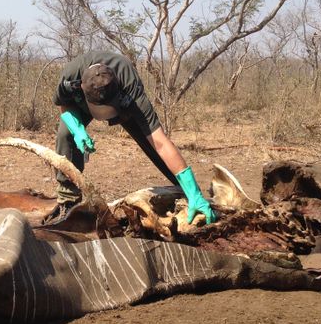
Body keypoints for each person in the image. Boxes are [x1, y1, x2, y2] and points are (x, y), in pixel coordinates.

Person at [45, 50, 216, 225]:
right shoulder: (70, 78)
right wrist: (77, 129)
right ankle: (68, 200)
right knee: (65, 136)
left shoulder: (130, 88)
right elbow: (63, 104)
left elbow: (161, 142)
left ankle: (189, 194)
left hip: (123, 105)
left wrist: (194, 192)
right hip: (81, 104)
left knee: (153, 144)